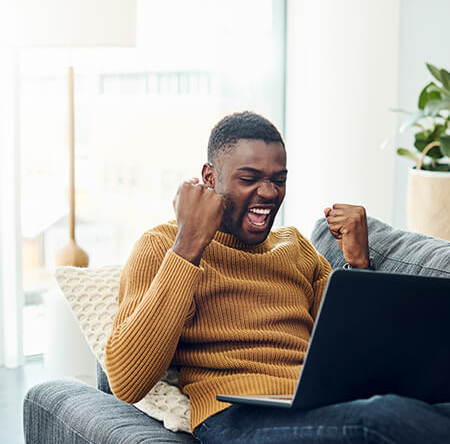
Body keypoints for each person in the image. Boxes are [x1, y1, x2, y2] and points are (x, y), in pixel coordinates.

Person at [104, 112, 450, 443]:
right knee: (384, 418)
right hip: (235, 415)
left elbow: (366, 360)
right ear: (210, 178)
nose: (269, 193)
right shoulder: (163, 246)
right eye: (249, 179)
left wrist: (359, 266)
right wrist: (189, 245)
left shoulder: (295, 247)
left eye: (278, 180)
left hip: (314, 405)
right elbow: (127, 381)